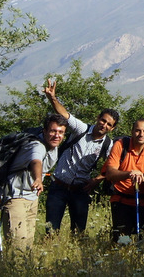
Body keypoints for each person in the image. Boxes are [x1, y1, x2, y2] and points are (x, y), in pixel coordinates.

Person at [44, 79, 119, 233]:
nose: (104, 125)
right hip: (58, 186)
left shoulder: (108, 145)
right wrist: (52, 98)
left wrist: (97, 180)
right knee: (51, 230)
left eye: (109, 124)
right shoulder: (81, 129)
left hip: (80, 190)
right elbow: (64, 114)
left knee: (79, 232)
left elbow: (113, 166)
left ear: (112, 128)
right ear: (98, 118)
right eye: (103, 120)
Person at [0, 113, 67, 251]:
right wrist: (38, 179)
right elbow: (36, 161)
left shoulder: (54, 146)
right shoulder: (36, 145)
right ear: (45, 131)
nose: (57, 135)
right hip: (16, 198)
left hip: (31, 198)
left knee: (28, 244)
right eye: (53, 131)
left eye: (61, 132)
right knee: (17, 246)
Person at [104, 119, 144, 241]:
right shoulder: (121, 145)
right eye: (137, 130)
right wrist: (130, 174)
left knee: (143, 239)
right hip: (121, 199)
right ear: (132, 132)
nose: (141, 134)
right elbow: (110, 173)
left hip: (143, 200)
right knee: (121, 240)